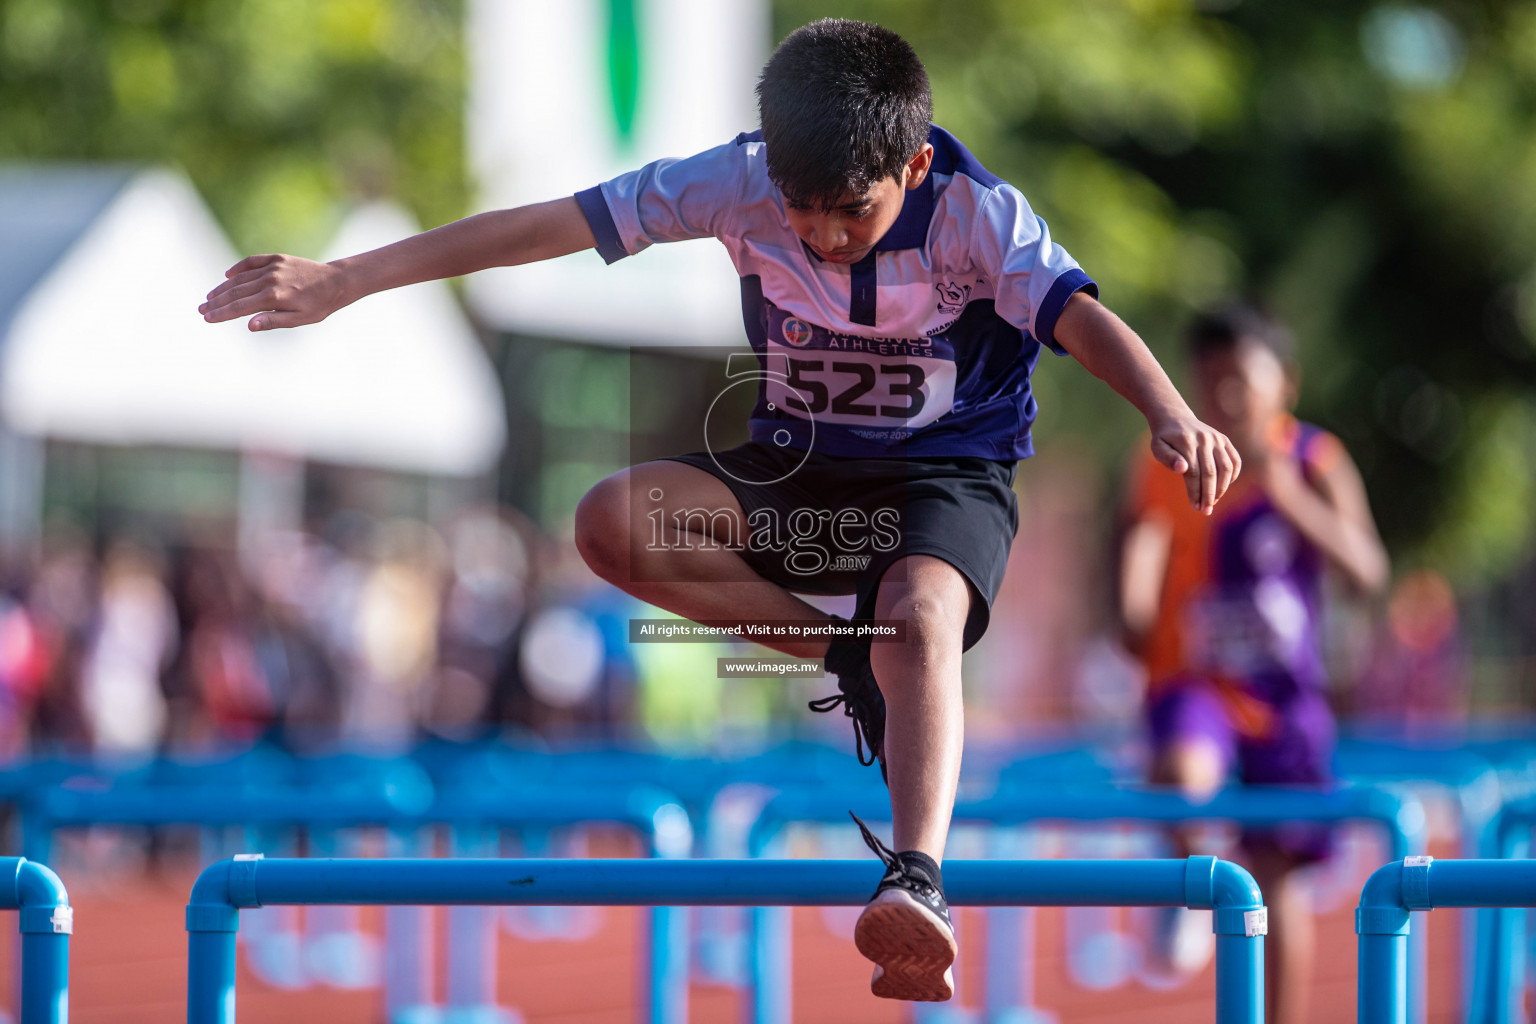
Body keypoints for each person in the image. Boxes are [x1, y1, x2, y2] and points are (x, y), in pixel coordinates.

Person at [201, 18, 1240, 1002]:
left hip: (942, 475)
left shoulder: (979, 214)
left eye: (853, 211)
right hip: (800, 469)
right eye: (803, 211)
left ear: (913, 167)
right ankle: (850, 662)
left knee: (921, 617)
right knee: (612, 519)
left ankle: (917, 876)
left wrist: (1170, 413)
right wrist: (349, 277)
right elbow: (544, 226)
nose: (826, 238)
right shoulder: (736, 178)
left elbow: (1082, 319)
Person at [1117, 302, 1389, 1024]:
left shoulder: (1316, 459)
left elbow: (1367, 571)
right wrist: (1133, 607)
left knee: (1278, 887)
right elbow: (1139, 548)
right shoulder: (1168, 460)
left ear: (1285, 384)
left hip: (1284, 698)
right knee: (1181, 773)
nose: (1225, 396)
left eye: (1240, 377)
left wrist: (1290, 498)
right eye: (1209, 380)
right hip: (1196, 683)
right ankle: (1190, 879)